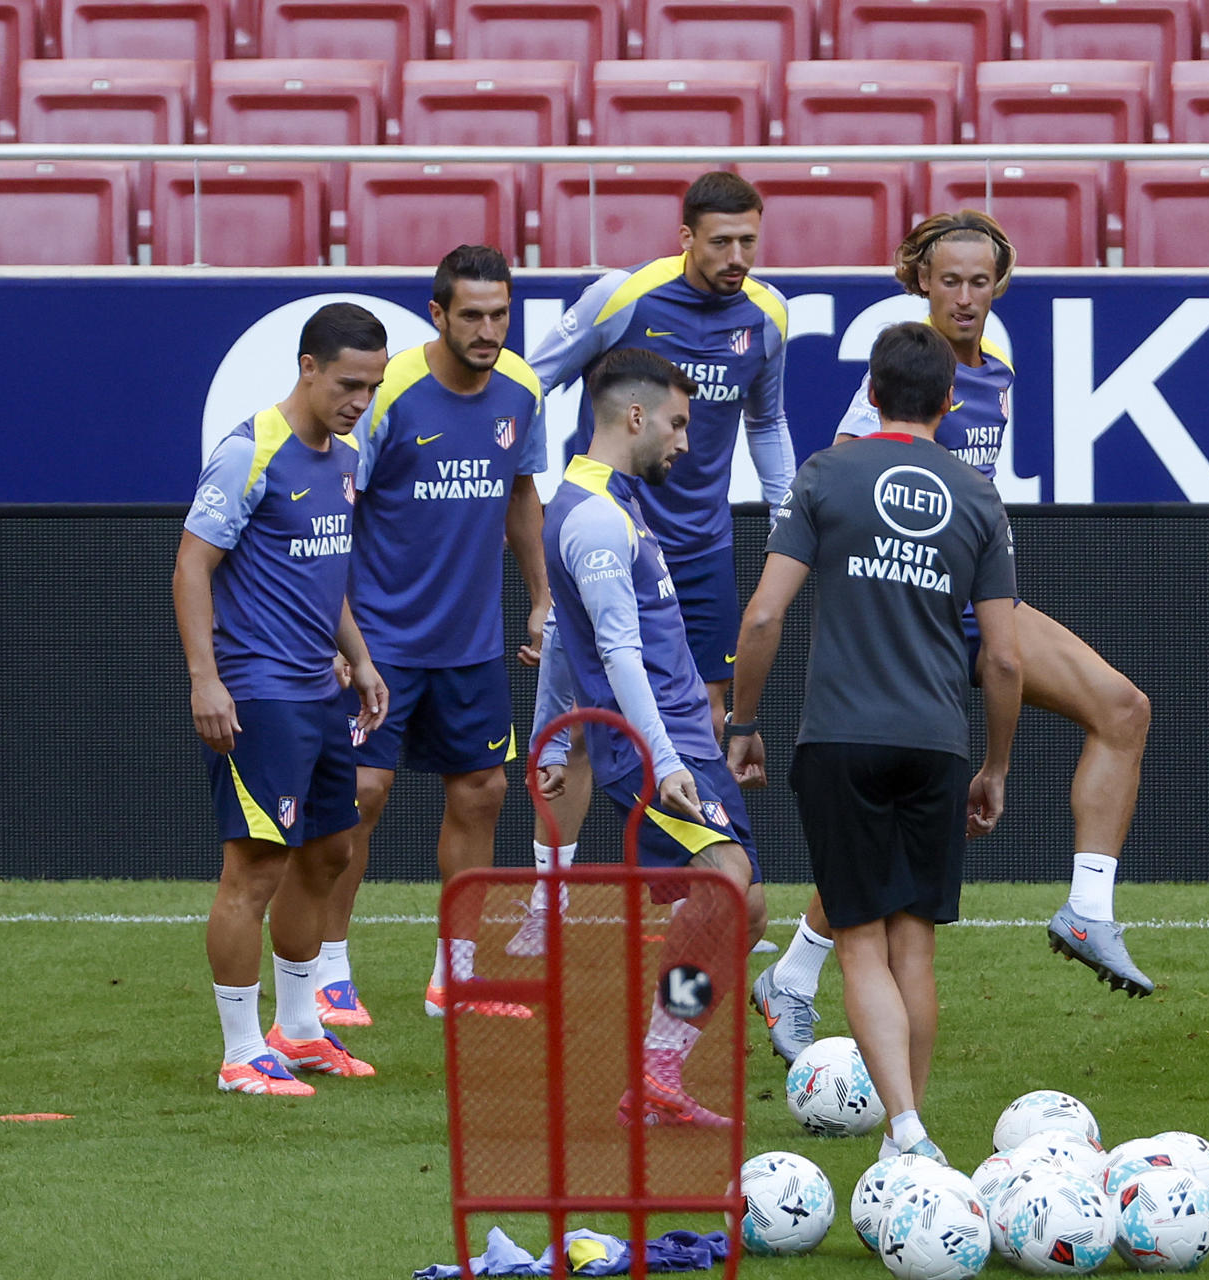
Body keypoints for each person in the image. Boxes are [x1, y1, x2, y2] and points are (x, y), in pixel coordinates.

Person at [747, 209, 1152, 1066]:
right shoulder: (892, 378)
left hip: (977, 609)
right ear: (918, 282)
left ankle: (1087, 908)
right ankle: (792, 978)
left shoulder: (997, 373)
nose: (965, 297)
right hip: (912, 619)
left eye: (980, 281)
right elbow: (848, 488)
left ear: (1000, 285)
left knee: (1123, 708)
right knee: (880, 845)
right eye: (949, 280)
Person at [727, 321, 1021, 1162]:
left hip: (841, 738)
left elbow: (764, 614)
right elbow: (1002, 654)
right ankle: (908, 1137)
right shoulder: (977, 495)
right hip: (937, 742)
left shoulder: (825, 474)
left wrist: (743, 724)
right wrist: (996, 764)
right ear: (949, 400)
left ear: (875, 393)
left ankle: (905, 1130)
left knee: (858, 939)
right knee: (914, 942)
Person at [513, 172, 791, 956]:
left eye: (749, 241)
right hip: (607, 535)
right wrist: (540, 504)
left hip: (696, 550)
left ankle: (697, 895)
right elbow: (532, 385)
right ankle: (550, 902)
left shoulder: (767, 315)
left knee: (697, 715)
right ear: (686, 239)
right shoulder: (624, 298)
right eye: (721, 242)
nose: (737, 257)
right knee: (586, 719)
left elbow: (766, 421)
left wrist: (784, 515)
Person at [542, 347, 768, 1127]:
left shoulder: (610, 500)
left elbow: (560, 638)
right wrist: (663, 759)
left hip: (686, 744)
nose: (686, 442)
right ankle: (656, 1076)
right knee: (726, 880)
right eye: (677, 423)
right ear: (634, 416)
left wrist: (545, 738)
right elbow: (611, 651)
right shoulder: (598, 519)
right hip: (655, 749)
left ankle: (662, 1068)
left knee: (751, 908)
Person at [325, 245, 550, 1022]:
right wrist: (334, 630)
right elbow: (335, 509)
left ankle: (455, 978)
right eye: (473, 315)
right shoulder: (388, 397)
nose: (488, 330)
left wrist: (540, 597)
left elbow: (523, 494)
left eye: (500, 314)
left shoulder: (522, 388)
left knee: (482, 793)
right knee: (361, 794)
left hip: (474, 642)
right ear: (438, 314)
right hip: (379, 637)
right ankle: (327, 968)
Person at [175, 302, 391, 1095]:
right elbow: (191, 567)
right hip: (258, 693)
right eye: (346, 384)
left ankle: (298, 1032)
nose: (358, 401)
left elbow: (321, 572)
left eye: (370, 387)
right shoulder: (248, 452)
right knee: (257, 868)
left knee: (329, 853)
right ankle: (240, 1056)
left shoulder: (343, 455)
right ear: (307, 367)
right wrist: (207, 679)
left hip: (321, 690)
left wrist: (359, 661)